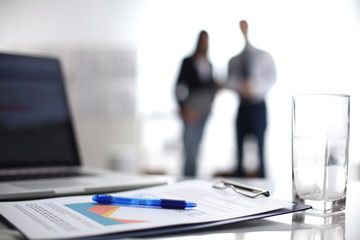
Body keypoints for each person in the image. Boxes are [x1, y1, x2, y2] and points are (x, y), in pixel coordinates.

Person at [227, 20, 276, 178]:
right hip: (242, 107)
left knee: (261, 149)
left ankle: (264, 183)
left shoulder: (264, 56)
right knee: (239, 150)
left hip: (258, 107)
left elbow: (272, 78)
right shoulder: (234, 60)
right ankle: (239, 182)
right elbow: (230, 81)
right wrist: (242, 86)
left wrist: (253, 87)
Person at [175, 30, 217, 177]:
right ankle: (186, 181)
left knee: (198, 149)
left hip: (205, 112)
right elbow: (179, 87)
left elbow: (211, 88)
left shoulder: (209, 65)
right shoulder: (188, 62)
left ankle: (193, 181)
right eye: (203, 40)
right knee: (190, 151)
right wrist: (184, 108)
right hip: (191, 111)